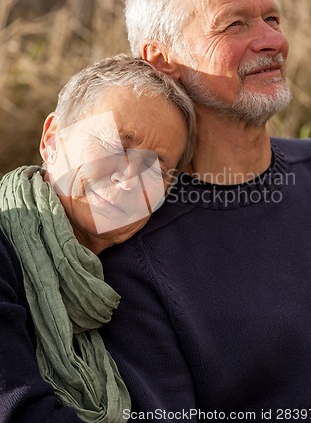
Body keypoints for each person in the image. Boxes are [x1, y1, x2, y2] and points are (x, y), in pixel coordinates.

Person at [100, 0, 311, 422]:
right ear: (161, 59)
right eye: (234, 24)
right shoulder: (131, 254)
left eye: (272, 18)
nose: (273, 40)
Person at [0, 54, 196, 422]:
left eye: (157, 167)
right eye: (118, 144)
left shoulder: (140, 283)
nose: (129, 178)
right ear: (52, 139)